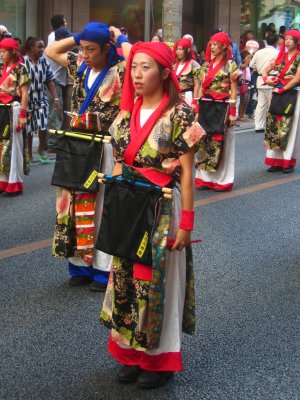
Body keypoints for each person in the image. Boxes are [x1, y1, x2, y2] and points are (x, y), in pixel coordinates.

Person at [99, 37, 205, 389]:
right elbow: (117, 162)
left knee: (154, 282)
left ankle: (158, 361)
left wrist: (187, 224)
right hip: (129, 205)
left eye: (146, 67)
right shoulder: (125, 113)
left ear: (164, 71)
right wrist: (112, 211)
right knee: (125, 279)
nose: (137, 74)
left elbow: (187, 174)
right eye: (134, 67)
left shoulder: (181, 115)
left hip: (161, 208)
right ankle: (129, 353)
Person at [45, 22, 128, 291]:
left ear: (107, 48)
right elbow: (50, 50)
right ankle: (80, 265)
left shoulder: (121, 71)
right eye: (83, 48)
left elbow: (135, 55)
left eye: (92, 49)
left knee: (101, 204)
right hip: (76, 143)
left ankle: (103, 270)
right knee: (71, 202)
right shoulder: (79, 64)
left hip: (103, 146)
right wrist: (80, 37)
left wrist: (119, 36)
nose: (86, 54)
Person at [195, 32, 241, 191]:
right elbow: (201, 88)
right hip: (206, 106)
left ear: (223, 46)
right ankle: (204, 178)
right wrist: (197, 109)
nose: (212, 47)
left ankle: (222, 180)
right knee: (203, 141)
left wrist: (233, 112)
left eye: (215, 44)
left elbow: (233, 90)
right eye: (211, 44)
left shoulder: (231, 66)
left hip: (223, 107)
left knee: (221, 142)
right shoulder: (205, 65)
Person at [262, 29, 300, 174]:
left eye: (291, 39)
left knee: (290, 128)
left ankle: (288, 161)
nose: (288, 41)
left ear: (297, 42)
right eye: (286, 39)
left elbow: (297, 78)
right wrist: (267, 79)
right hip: (278, 93)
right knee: (274, 125)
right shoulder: (281, 56)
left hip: (293, 94)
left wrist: (282, 88)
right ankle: (275, 161)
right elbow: (266, 69)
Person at [22, 37, 61, 163]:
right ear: (31, 48)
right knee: (28, 128)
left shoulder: (44, 61)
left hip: (41, 99)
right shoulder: (23, 62)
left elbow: (49, 80)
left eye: (43, 46)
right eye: (39, 46)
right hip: (26, 100)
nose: (42, 49)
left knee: (43, 125)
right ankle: (28, 153)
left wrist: (55, 98)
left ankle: (41, 149)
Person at [0, 38, 30, 195]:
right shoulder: (1, 68)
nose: (1, 54)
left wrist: (23, 115)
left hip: (14, 108)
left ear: (13, 52)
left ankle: (15, 182)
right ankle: (3, 180)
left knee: (15, 146)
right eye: (0, 51)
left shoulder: (21, 69)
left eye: (4, 52)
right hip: (1, 110)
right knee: (2, 146)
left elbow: (25, 93)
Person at [249, 32, 278, 132]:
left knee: (261, 104)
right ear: (276, 42)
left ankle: (258, 125)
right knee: (272, 104)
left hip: (261, 79)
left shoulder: (258, 52)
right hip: (273, 79)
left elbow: (252, 65)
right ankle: (272, 125)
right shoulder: (277, 53)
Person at [173, 38, 201, 117]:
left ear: (187, 50)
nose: (178, 51)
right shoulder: (174, 65)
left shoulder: (194, 65)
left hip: (187, 96)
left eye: (181, 49)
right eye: (177, 49)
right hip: (175, 96)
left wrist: (195, 102)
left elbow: (197, 85)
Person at [237, 50, 252, 121]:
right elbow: (244, 66)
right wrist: (247, 61)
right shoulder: (241, 65)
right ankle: (240, 115)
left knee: (247, 100)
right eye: (248, 58)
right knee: (243, 100)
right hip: (243, 84)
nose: (249, 59)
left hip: (248, 83)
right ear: (243, 59)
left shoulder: (248, 66)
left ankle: (243, 114)